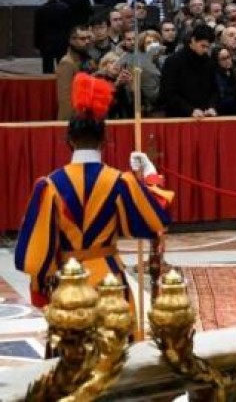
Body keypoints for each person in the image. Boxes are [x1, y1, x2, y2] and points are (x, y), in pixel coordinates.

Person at [15, 73, 172, 308]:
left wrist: (39, 287)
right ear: (104, 140)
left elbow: (36, 253)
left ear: (69, 141)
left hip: (68, 284)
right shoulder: (120, 181)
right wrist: (149, 175)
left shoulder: (49, 186)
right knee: (118, 341)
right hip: (111, 282)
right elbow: (155, 220)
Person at [56, 25, 96, 120]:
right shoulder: (66, 63)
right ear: (72, 41)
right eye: (82, 39)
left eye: (88, 38)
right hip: (74, 120)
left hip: (89, 115)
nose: (87, 41)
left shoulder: (89, 60)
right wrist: (73, 121)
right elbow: (65, 98)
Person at [35, 0, 73, 74]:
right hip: (62, 41)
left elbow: (38, 29)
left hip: (46, 43)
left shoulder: (40, 10)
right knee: (63, 67)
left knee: (47, 68)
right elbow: (69, 27)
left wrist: (37, 45)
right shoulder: (65, 8)